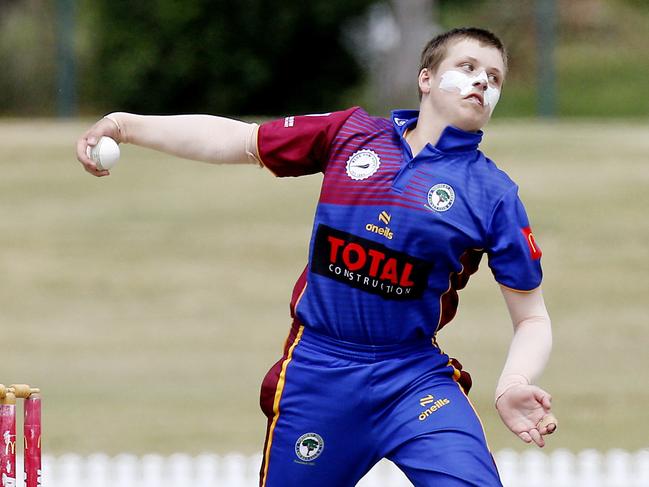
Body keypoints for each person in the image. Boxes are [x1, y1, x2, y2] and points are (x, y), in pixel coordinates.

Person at [77, 27, 555, 487]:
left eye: (494, 78)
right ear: (425, 78)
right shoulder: (351, 134)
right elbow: (238, 140)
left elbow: (531, 317)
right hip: (319, 369)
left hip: (412, 379)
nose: (481, 82)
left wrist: (512, 381)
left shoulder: (493, 194)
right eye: (467, 67)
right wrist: (126, 125)